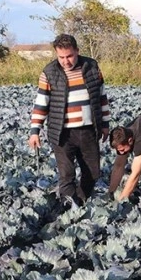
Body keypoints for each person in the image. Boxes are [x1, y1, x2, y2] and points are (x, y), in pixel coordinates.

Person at [28, 34, 110, 207]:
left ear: (77, 51)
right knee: (67, 175)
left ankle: (79, 202)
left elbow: (101, 97)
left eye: (69, 56)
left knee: (93, 173)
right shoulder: (49, 72)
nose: (65, 61)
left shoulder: (92, 67)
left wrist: (105, 124)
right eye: (61, 57)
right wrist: (35, 131)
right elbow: (41, 103)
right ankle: (68, 210)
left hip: (89, 129)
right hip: (62, 133)